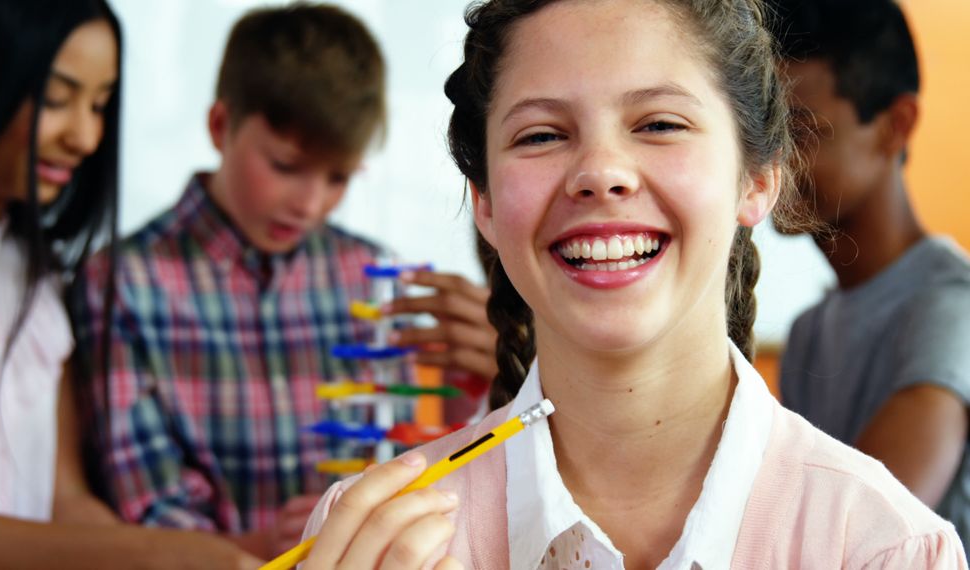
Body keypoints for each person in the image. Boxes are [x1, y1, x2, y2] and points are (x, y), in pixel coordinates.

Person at [298, 0, 967, 567]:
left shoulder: (888, 548)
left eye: (659, 124)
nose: (601, 171)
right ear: (487, 203)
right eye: (541, 135)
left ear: (758, 177)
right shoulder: (367, 540)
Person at [70, 2, 496, 561]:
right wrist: (249, 547)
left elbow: (415, 450)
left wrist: (501, 369)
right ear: (221, 126)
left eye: (338, 177)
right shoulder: (121, 284)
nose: (310, 202)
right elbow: (143, 500)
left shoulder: (371, 274)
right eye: (286, 165)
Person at [0, 0, 256, 567]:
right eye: (57, 99)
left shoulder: (36, 276)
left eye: (100, 104)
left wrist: (200, 553)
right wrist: (141, 554)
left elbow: (65, 499)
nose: (85, 137)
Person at [769, 0, 970, 546]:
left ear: (895, 126)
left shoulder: (952, 309)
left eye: (803, 132)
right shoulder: (810, 331)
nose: (773, 167)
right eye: (767, 137)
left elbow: (855, 537)